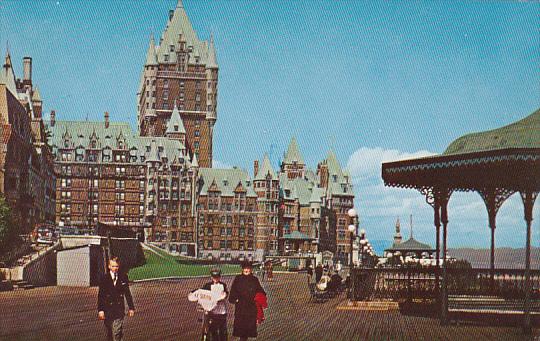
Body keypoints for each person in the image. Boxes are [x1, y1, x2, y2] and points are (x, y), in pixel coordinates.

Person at [97, 257, 135, 341]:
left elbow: (127, 293)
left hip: (119, 309)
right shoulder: (104, 278)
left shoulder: (123, 277)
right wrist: (100, 310)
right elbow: (101, 295)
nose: (115, 268)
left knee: (116, 331)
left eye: (117, 266)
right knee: (109, 332)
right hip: (107, 309)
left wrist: (131, 308)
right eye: (113, 266)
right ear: (109, 266)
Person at [229, 261, 267, 341]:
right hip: (241, 308)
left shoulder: (254, 279)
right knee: (241, 331)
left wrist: (259, 297)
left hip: (251, 308)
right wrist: (235, 299)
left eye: (248, 268)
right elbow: (233, 292)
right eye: (245, 268)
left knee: (247, 331)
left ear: (251, 270)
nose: (247, 270)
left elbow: (261, 291)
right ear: (242, 269)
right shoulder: (238, 278)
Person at [201, 268, 229, 341]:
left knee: (223, 331)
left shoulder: (223, 285)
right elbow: (202, 295)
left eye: (217, 277)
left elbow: (226, 294)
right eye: (214, 277)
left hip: (221, 311)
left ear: (220, 277)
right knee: (213, 331)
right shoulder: (207, 285)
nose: (215, 278)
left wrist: (225, 295)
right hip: (212, 312)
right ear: (211, 277)